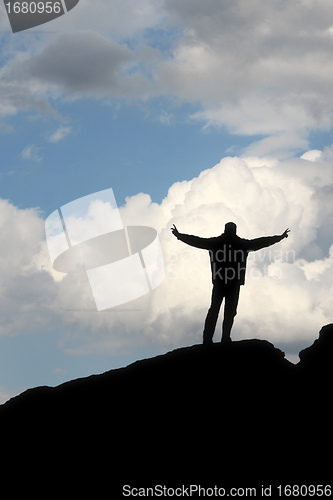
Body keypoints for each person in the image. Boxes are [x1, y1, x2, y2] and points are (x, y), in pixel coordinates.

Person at [171, 222, 290, 344]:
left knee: (216, 310)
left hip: (221, 282)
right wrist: (279, 238)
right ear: (235, 230)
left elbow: (196, 241)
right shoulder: (242, 244)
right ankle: (224, 338)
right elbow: (261, 242)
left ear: (225, 229)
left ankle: (209, 339)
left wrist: (179, 236)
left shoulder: (216, 243)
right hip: (233, 283)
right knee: (229, 311)